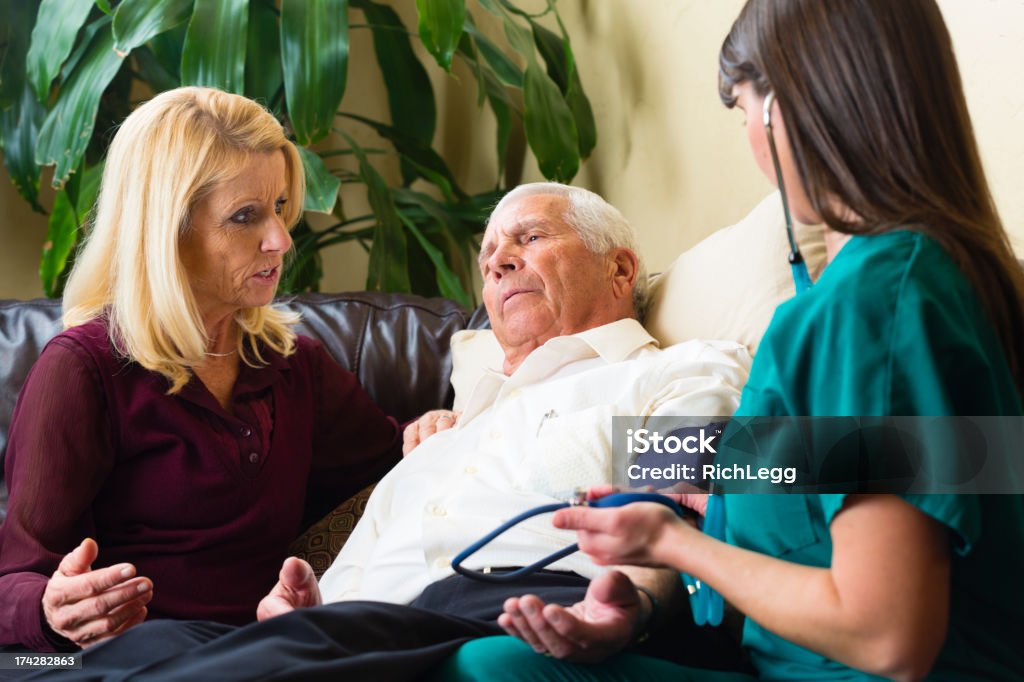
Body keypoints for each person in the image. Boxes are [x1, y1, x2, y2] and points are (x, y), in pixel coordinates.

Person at [442, 0, 1024, 680]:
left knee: (488, 669)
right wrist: (689, 550)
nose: (748, 135)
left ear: (787, 106)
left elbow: (887, 633)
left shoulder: (875, 301)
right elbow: (882, 491)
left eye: (743, 107)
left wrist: (677, 546)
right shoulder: (944, 279)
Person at [30, 183, 752, 681]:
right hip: (344, 635)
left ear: (620, 267)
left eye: (530, 238)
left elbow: (677, 501)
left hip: (501, 605)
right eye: (489, 253)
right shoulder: (447, 431)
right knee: (127, 648)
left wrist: (637, 606)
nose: (498, 261)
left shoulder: (665, 376)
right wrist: (301, 608)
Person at [0, 87, 401, 653]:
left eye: (281, 207)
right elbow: (14, 578)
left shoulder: (293, 368)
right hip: (121, 659)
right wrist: (50, 611)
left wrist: (433, 434)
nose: (281, 239)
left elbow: (402, 476)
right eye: (246, 216)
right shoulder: (83, 371)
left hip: (270, 652)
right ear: (167, 231)